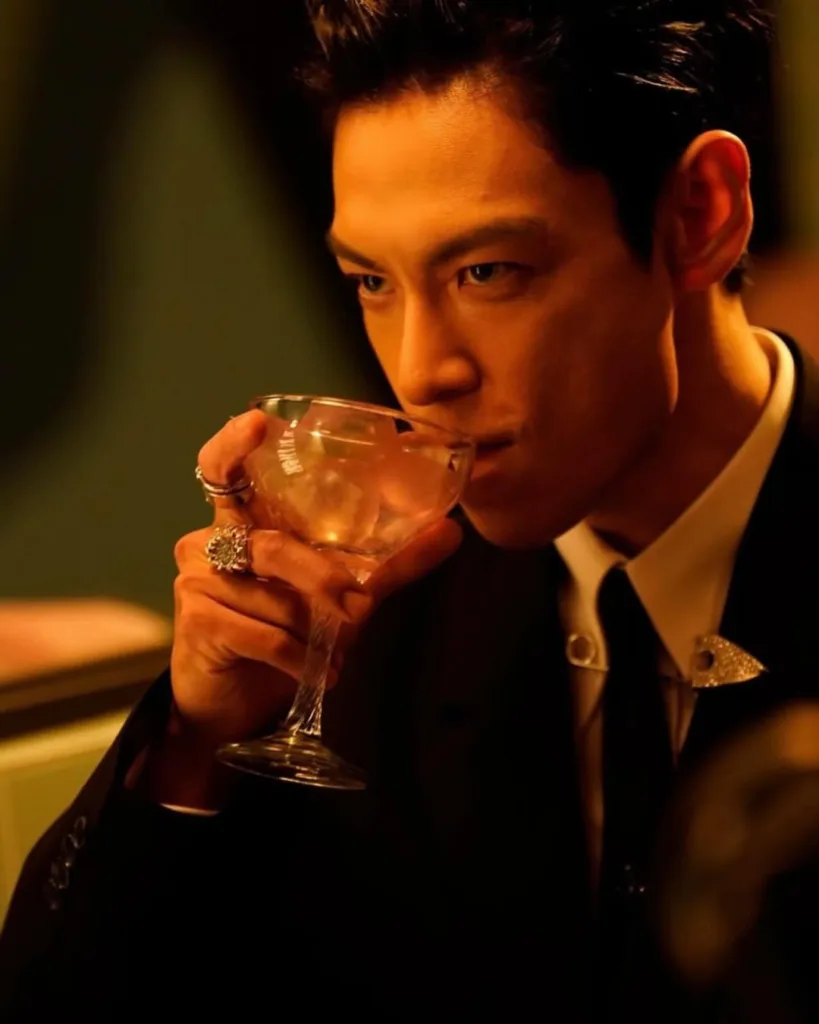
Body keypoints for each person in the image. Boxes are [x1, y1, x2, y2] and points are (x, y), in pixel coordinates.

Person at [2, 1, 818, 1020]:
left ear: (700, 214)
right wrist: (195, 743)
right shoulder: (372, 620)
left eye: (487, 272)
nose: (422, 370)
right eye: (371, 281)